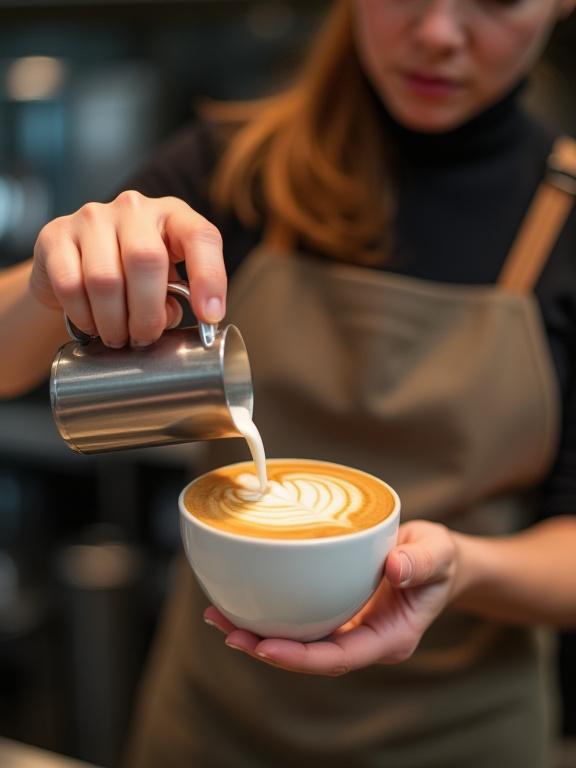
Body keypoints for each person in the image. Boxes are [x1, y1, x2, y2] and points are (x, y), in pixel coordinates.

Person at [2, 0, 576, 765]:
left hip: (461, 735)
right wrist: (48, 285)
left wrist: (464, 568)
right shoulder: (235, 162)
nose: (439, 33)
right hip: (211, 724)